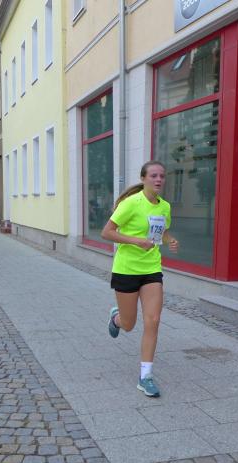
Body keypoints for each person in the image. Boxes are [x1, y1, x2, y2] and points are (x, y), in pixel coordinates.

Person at [100, 161, 179, 398]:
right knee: (129, 324)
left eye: (162, 176)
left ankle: (145, 377)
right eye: (153, 175)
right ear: (143, 178)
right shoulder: (131, 203)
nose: (158, 179)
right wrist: (136, 241)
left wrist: (170, 240)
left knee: (153, 321)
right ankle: (116, 319)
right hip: (126, 269)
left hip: (151, 269)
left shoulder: (164, 206)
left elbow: (162, 232)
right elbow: (107, 232)